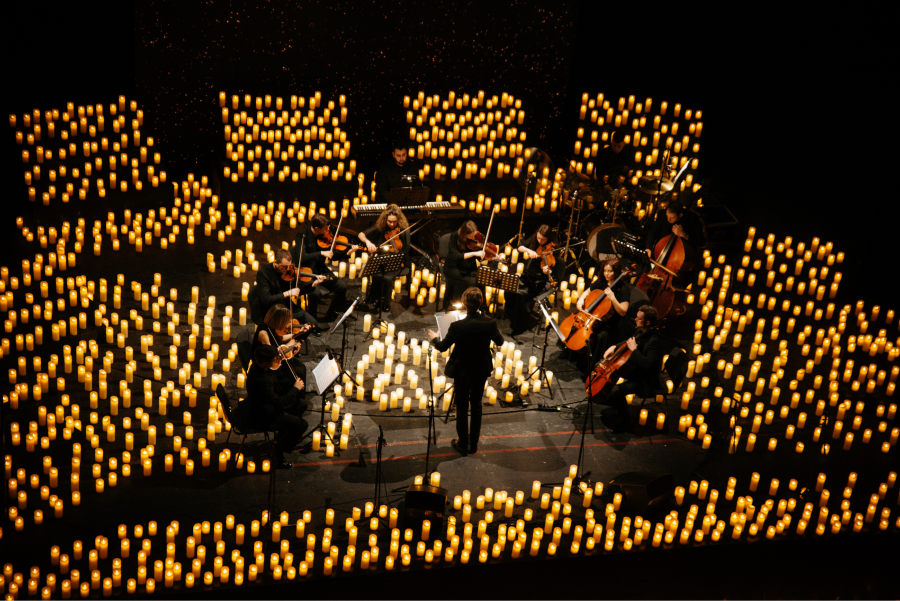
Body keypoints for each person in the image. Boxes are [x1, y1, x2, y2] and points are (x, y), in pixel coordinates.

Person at [428, 287, 504, 456]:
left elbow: (442, 347)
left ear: (464, 304)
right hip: (480, 369)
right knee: (476, 404)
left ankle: (462, 443)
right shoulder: (490, 323)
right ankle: (473, 444)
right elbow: (500, 342)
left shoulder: (457, 326)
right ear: (481, 302)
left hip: (462, 370)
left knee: (462, 406)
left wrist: (435, 338)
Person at [244, 345, 309, 468]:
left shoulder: (259, 366)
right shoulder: (261, 381)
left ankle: (283, 436)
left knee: (301, 405)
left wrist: (287, 358)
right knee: (302, 425)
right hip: (263, 415)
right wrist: (295, 389)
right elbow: (279, 403)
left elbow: (274, 373)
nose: (277, 361)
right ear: (265, 362)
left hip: (268, 405)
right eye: (275, 360)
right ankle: (277, 452)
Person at [600, 305, 662, 433]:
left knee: (616, 390)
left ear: (647, 322)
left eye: (639, 318)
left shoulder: (654, 341)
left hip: (645, 380)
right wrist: (614, 346)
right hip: (636, 370)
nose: (635, 319)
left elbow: (647, 365)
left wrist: (634, 350)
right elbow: (628, 342)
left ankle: (625, 422)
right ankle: (615, 402)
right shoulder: (641, 330)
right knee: (605, 368)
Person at [291, 214, 349, 322]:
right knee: (315, 293)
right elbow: (302, 257)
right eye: (326, 228)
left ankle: (332, 314)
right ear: (317, 228)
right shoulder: (302, 235)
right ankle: (312, 322)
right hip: (307, 272)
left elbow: (332, 255)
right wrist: (321, 253)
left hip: (320, 270)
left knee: (341, 286)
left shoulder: (324, 237)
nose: (328, 230)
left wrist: (347, 252)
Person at [253, 305, 311, 412]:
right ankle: (292, 402)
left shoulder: (273, 327)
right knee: (296, 373)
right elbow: (273, 356)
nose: (288, 325)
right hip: (268, 367)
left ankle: (299, 397)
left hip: (277, 358)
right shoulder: (263, 333)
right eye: (286, 322)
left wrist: (299, 332)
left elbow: (281, 338)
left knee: (301, 367)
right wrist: (290, 347)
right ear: (279, 321)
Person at [574, 258, 631, 362]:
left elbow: (623, 312)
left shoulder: (623, 288)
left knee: (600, 336)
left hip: (610, 323)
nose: (606, 274)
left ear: (616, 272)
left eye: (610, 271)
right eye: (605, 271)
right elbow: (587, 291)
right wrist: (581, 299)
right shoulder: (602, 281)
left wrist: (613, 298)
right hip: (595, 316)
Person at [252, 248, 322, 329]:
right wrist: (287, 293)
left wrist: (313, 284)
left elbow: (297, 291)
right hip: (273, 310)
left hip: (287, 306)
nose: (288, 269)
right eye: (284, 267)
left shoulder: (288, 271)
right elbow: (266, 299)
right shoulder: (264, 274)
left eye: (289, 266)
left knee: (313, 324)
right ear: (276, 262)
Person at [358, 204, 411, 310]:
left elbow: (406, 249)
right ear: (385, 219)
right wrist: (368, 242)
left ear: (398, 220)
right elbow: (361, 234)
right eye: (389, 221)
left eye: (394, 221)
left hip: (398, 260)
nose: (392, 224)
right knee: (377, 274)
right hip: (383, 259)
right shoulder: (380, 226)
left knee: (387, 277)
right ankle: (377, 298)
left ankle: (387, 303)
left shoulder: (403, 229)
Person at [508, 225, 558, 336]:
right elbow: (520, 247)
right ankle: (513, 317)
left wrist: (546, 271)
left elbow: (552, 270)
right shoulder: (535, 238)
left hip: (540, 281)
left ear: (548, 238)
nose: (540, 241)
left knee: (522, 296)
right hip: (528, 276)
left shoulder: (553, 248)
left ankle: (519, 326)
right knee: (510, 289)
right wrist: (528, 250)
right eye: (539, 238)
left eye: (543, 239)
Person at [444, 220, 485, 300]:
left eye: (474, 235)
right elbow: (457, 256)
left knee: (481, 280)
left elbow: (476, 255)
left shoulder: (472, 240)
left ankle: (481, 305)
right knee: (472, 283)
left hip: (468, 266)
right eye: (471, 236)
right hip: (454, 267)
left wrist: (492, 256)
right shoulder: (454, 236)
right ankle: (468, 304)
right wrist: (475, 253)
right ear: (465, 234)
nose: (473, 238)